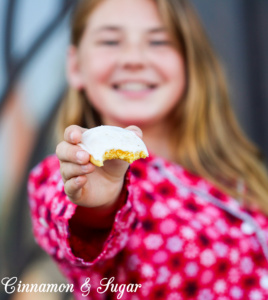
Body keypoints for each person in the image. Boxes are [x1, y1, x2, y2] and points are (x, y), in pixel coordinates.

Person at [28, 0, 268, 299]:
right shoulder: (65, 172)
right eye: (110, 41)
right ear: (76, 67)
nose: (134, 59)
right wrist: (99, 207)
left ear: (188, 60)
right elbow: (75, 228)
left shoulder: (236, 172)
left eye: (158, 41)